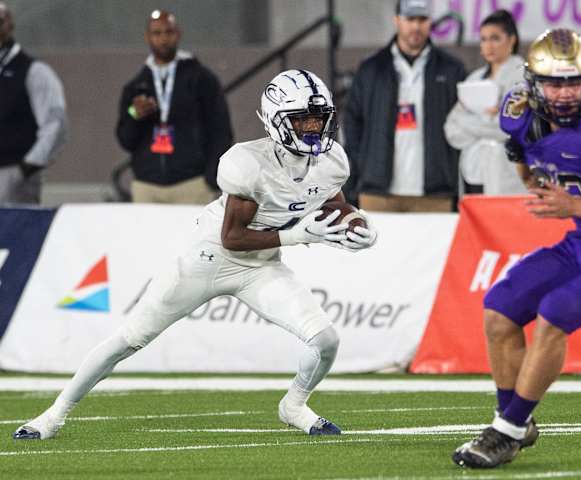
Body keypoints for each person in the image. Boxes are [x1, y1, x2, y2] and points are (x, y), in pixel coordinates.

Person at [13, 69, 378, 441]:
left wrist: (356, 224)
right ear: (277, 120)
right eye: (303, 119)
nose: (314, 128)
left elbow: (331, 202)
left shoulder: (333, 160)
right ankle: (53, 414)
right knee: (130, 338)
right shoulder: (247, 163)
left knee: (326, 341)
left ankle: (294, 405)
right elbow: (232, 237)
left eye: (319, 118)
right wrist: (297, 235)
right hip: (210, 259)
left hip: (262, 267)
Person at [452, 29, 581, 469]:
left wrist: (572, 204)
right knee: (499, 307)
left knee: (555, 311)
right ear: (534, 84)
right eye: (554, 83)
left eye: (574, 82)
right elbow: (519, 147)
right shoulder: (519, 111)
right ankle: (515, 418)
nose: (565, 93)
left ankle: (506, 432)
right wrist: (533, 180)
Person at [343, 0, 466, 212]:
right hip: (377, 192)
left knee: (436, 247)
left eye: (422, 19)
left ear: (430, 22)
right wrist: (363, 165)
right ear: (397, 20)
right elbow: (352, 122)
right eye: (410, 19)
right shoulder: (371, 69)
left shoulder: (451, 69)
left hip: (435, 193)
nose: (416, 27)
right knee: (378, 246)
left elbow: (464, 125)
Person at [116, 9, 233, 204]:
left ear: (178, 34)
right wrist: (133, 114)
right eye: (157, 33)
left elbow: (221, 130)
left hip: (192, 184)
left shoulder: (201, 79)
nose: (163, 39)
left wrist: (211, 179)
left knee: (192, 236)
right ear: (147, 37)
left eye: (168, 32)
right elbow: (125, 140)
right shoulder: (136, 86)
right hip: (147, 186)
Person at [444, 9, 526, 195]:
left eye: (495, 38)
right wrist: (486, 122)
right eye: (483, 39)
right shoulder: (474, 79)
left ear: (512, 40)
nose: (488, 45)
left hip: (506, 173)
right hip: (471, 172)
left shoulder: (522, 77)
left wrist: (470, 121)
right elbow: (451, 131)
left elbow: (508, 128)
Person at [0, 1, 67, 205]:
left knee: (12, 234)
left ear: (10, 24)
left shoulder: (33, 71)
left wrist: (28, 166)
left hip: (14, 173)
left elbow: (54, 122)